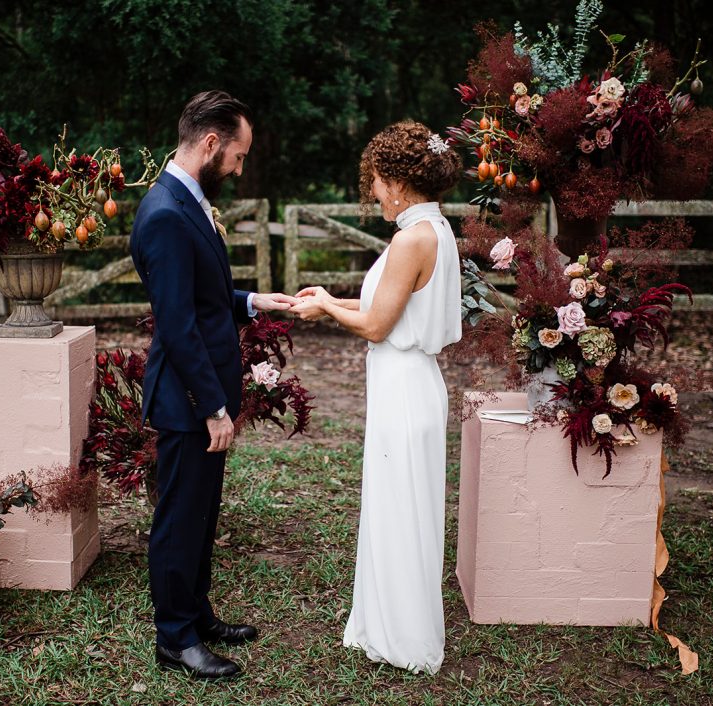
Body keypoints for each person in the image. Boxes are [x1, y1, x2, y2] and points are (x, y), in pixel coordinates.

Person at [129, 90, 298, 679]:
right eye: (237, 155)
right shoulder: (167, 213)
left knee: (201, 515)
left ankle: (196, 614)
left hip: (200, 399)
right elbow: (176, 326)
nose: (239, 167)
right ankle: (174, 638)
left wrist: (251, 300)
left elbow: (200, 300)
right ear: (210, 143)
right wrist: (212, 409)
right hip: (187, 403)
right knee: (178, 520)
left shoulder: (187, 200)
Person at [292, 121, 463, 674]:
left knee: (400, 511)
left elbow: (375, 326)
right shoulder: (437, 227)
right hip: (413, 382)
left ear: (396, 179)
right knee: (402, 509)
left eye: (376, 182)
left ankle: (403, 638)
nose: (374, 194)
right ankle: (385, 623)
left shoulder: (410, 238)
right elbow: (386, 308)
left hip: (403, 388)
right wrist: (331, 296)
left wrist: (325, 308)